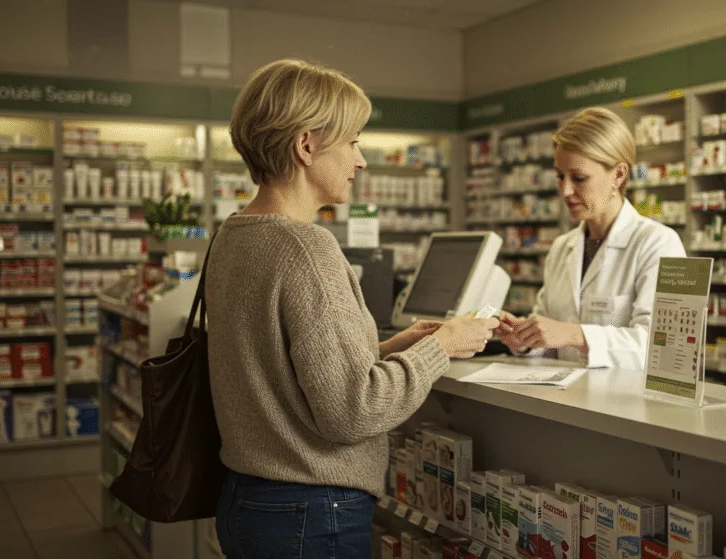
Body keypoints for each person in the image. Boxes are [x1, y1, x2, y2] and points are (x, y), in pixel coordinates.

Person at [205, 59, 499, 559]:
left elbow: (278, 365)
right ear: (306, 146)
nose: (360, 161)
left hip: (247, 502)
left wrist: (389, 348)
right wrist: (442, 348)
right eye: (354, 141)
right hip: (310, 511)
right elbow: (353, 412)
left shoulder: (235, 235)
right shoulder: (306, 248)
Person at [497, 107, 686, 377]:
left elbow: (663, 349)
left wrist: (576, 335)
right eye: (560, 176)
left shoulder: (658, 244)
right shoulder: (562, 248)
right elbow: (551, 345)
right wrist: (525, 340)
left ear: (619, 175)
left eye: (579, 178)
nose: (566, 191)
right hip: (566, 402)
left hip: (625, 408)